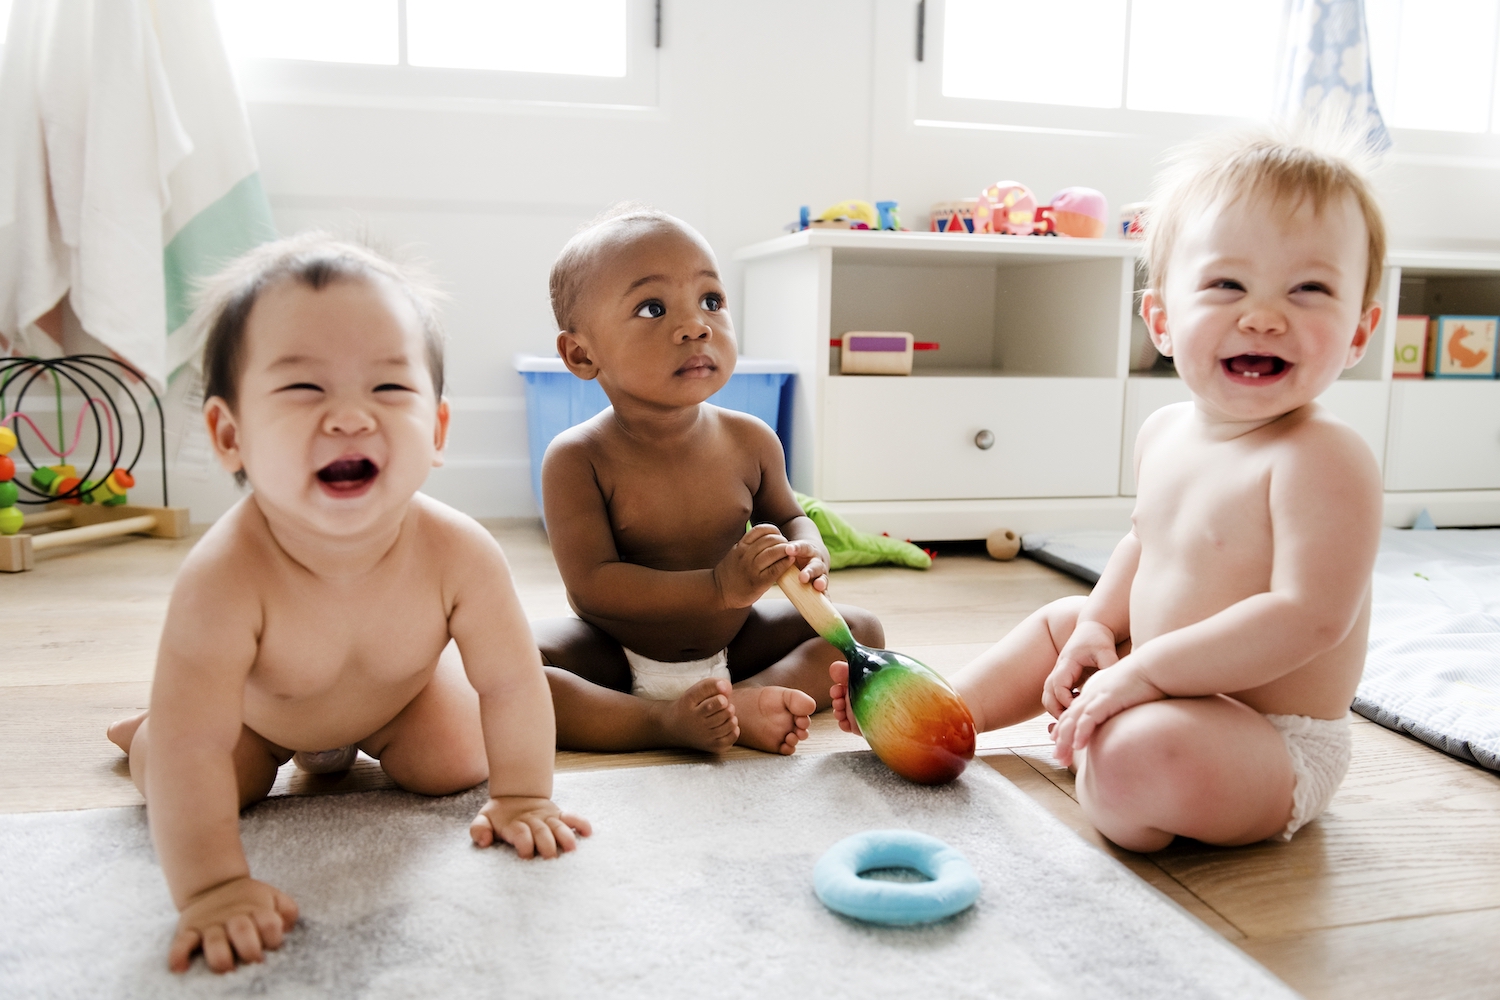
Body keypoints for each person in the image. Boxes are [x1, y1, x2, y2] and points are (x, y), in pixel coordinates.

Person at [835, 127, 1385, 851]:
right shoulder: (1163, 431)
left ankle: (1114, 760)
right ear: (1160, 320)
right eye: (1227, 285)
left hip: (1268, 738)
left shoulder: (1325, 457)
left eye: (1308, 289)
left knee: (1136, 753)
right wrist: (1099, 628)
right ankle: (937, 718)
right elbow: (1144, 543)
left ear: (1358, 332)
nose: (1263, 315)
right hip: (1162, 682)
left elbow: (1309, 616)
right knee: (1060, 621)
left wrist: (1148, 672)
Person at [107, 234, 589, 974]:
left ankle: (362, 739)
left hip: (397, 703)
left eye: (389, 388)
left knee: (458, 757)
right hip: (257, 720)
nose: (349, 418)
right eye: (304, 389)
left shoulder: (459, 551)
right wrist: (212, 888)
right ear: (229, 435)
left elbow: (511, 681)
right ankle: (151, 723)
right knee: (196, 770)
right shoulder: (222, 580)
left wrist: (524, 795)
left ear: (435, 430)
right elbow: (192, 754)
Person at [536, 205, 884, 755]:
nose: (697, 324)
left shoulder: (751, 439)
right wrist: (718, 587)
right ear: (581, 353)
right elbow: (592, 583)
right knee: (512, 670)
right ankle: (659, 721)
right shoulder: (577, 457)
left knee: (861, 634)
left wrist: (807, 550)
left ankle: (743, 699)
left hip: (734, 639)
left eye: (711, 301)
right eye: (653, 308)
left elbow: (789, 515)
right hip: (615, 652)